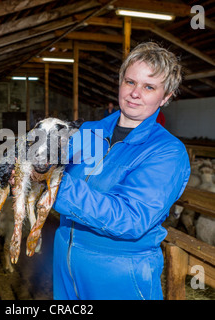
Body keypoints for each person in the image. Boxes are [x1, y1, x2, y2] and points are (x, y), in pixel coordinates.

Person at [52, 42, 191, 300]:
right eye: (130, 82)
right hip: (65, 264)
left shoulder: (167, 152)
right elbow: (47, 166)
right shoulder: (87, 132)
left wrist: (53, 184)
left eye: (149, 87)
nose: (135, 93)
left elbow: (131, 218)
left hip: (119, 275)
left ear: (166, 96)